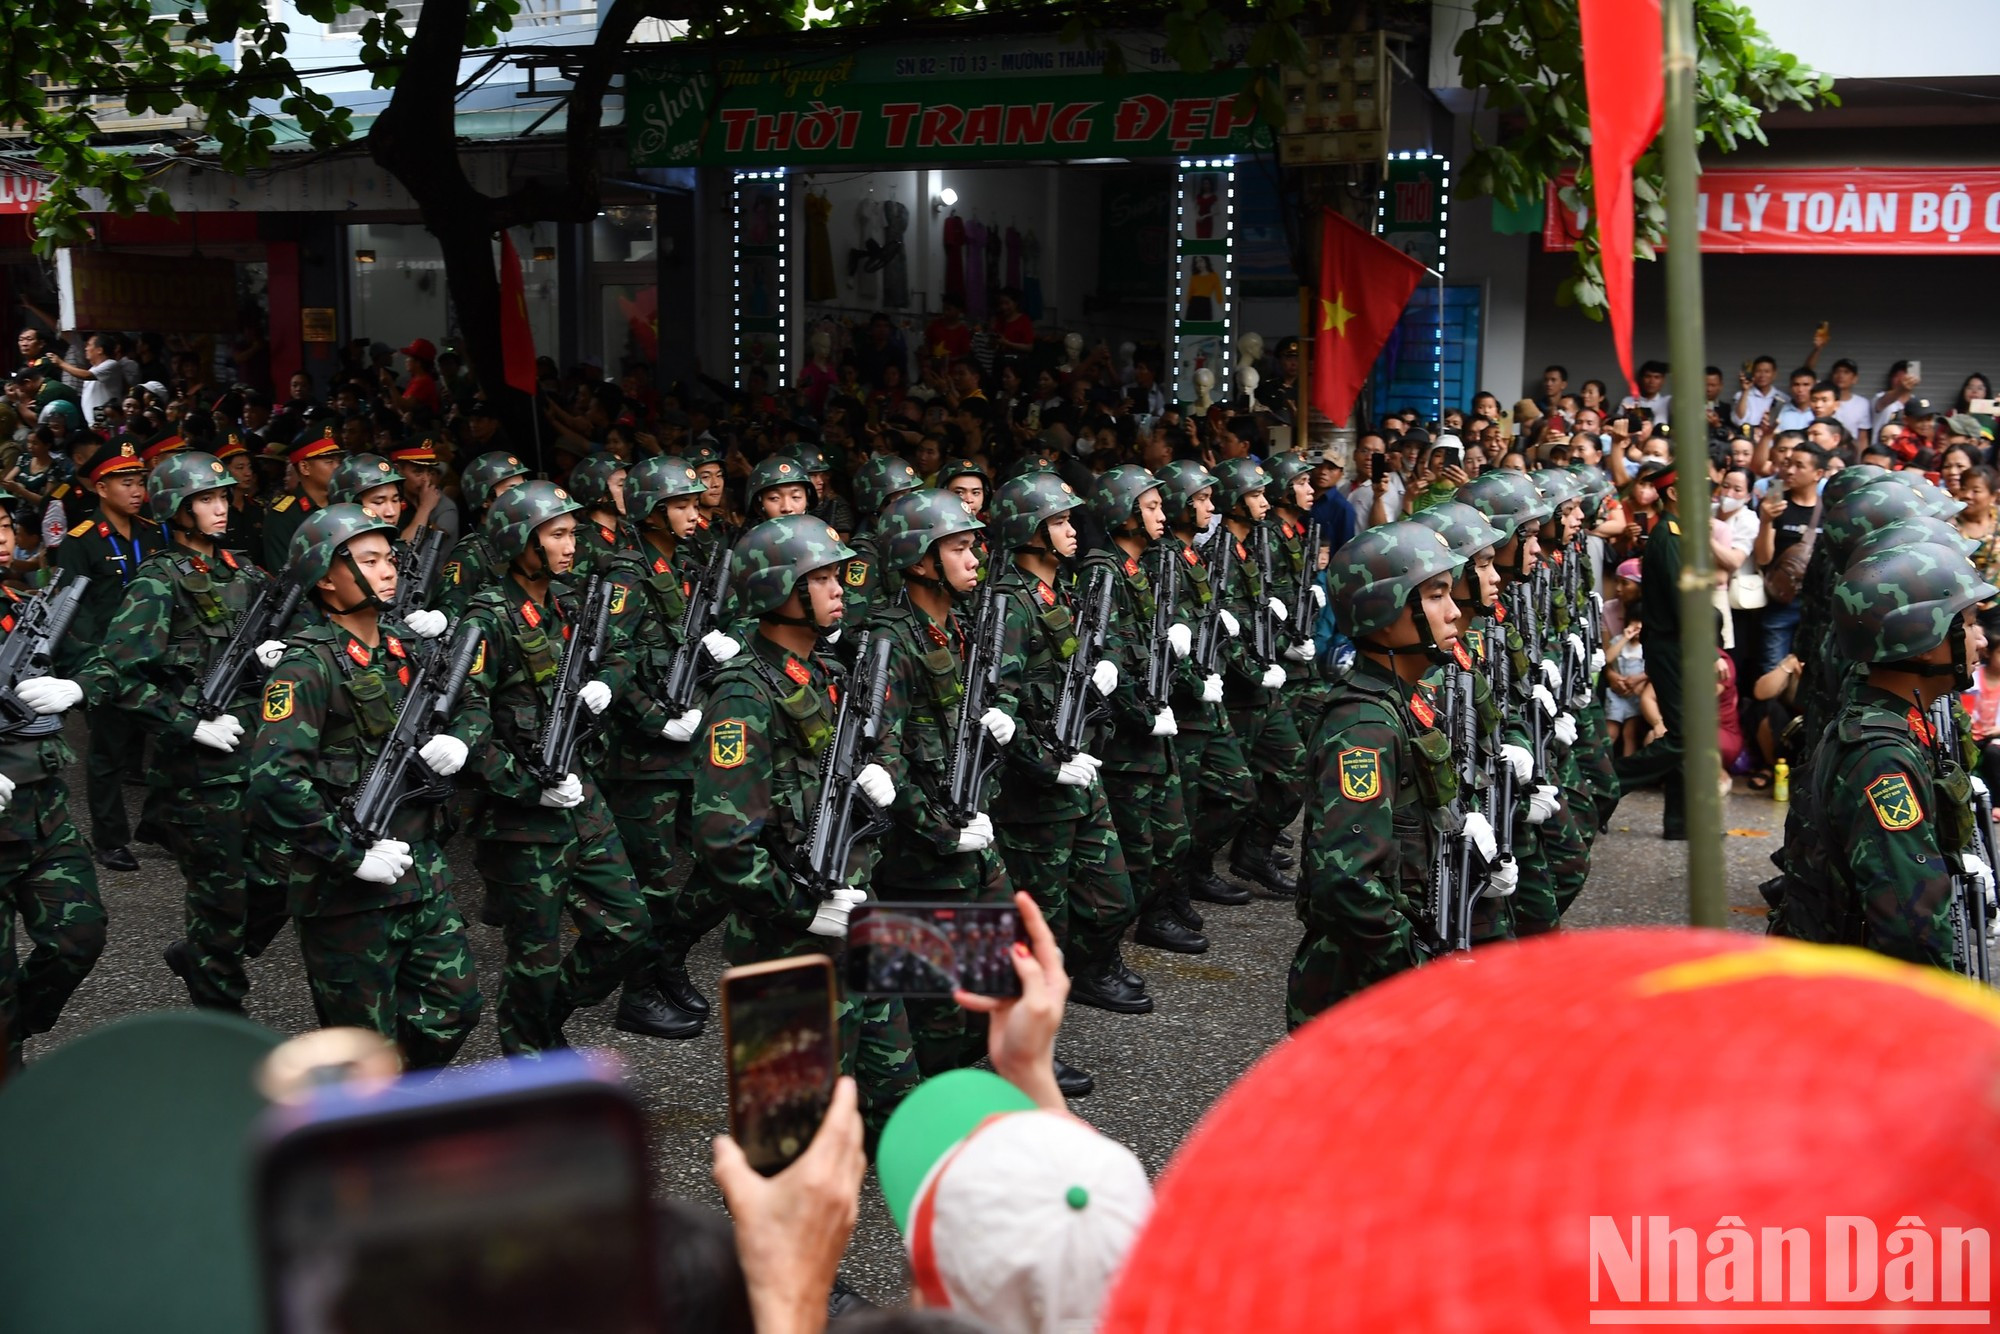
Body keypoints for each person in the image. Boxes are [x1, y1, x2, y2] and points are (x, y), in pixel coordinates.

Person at [688, 513, 921, 1138]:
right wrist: (801, 909)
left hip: (854, 915)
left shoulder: (828, 674)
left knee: (895, 1096)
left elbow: (874, 746)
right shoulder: (744, 696)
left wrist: (882, 775)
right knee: (785, 1131)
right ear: (779, 592)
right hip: (786, 939)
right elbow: (724, 841)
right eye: (820, 578)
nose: (839, 587)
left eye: (836, 575)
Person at [247, 503, 481, 1067]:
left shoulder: (408, 648)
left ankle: (399, 1108)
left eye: (389, 559)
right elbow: (274, 780)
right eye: (369, 560)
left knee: (456, 1007)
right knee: (362, 1049)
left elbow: (471, 702)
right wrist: (349, 852)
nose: (388, 571)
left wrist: (463, 739)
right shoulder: (306, 666)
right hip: (345, 892)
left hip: (419, 870)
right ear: (327, 579)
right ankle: (373, 1137)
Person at [79, 452, 290, 1012]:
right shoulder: (159, 582)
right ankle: (226, 1027)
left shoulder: (249, 575)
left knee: (282, 880)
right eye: (206, 500)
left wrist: (279, 656)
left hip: (256, 759)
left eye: (223, 497)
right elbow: (123, 676)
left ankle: (204, 954)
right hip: (198, 776)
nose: (221, 508)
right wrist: (188, 722)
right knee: (221, 903)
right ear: (178, 508)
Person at [457, 480, 649, 1054]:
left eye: (572, 533)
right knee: (533, 958)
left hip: (579, 793)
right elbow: (467, 720)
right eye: (558, 534)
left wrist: (602, 686)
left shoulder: (569, 602)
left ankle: (549, 1018)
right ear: (521, 542)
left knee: (628, 929)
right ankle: (530, 1062)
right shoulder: (486, 618)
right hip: (520, 816)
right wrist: (525, 786)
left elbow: (620, 652)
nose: (572, 545)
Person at [1772, 540, 1993, 970]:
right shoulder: (1882, 759)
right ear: (1927, 640)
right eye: (1968, 624)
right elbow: (1911, 927)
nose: (1981, 641)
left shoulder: (1893, 722)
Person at [1290, 521, 1473, 1025]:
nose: (1454, 611)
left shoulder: (1402, 700)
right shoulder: (1364, 728)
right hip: (1361, 985)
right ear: (1383, 611)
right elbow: (1346, 882)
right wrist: (1415, 966)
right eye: (1436, 596)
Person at [985, 470, 1147, 1036]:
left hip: (1077, 769)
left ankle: (1089, 972)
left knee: (1112, 897)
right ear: (1027, 532)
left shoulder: (1060, 590)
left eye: (1069, 518)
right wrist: (1047, 765)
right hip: (1037, 791)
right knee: (1038, 923)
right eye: (1057, 521)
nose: (1072, 529)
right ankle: (1027, 1041)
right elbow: (998, 712)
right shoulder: (1010, 606)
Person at [864, 489, 1018, 1080]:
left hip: (970, 824)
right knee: (935, 1005)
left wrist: (1002, 714)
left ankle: (975, 1075)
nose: (975, 557)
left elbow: (986, 693)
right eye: (959, 548)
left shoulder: (957, 623)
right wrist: (939, 831)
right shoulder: (890, 640)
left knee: (994, 968)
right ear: (920, 560)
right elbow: (884, 759)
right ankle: (928, 1113)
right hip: (923, 847)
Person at [596, 456, 740, 1041]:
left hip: (691, 746)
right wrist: (658, 720)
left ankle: (669, 959)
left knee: (722, 865)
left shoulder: (688, 563)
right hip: (643, 757)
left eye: (693, 503)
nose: (693, 514)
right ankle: (639, 991)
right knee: (651, 882)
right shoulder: (626, 574)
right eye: (680, 505)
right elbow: (614, 662)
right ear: (653, 510)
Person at [1081, 466, 1206, 955]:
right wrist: (1142, 712)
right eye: (1150, 507)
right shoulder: (1102, 570)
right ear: (1124, 512)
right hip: (1128, 737)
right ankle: (1113, 943)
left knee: (1170, 836)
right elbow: (1105, 653)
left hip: (1154, 721)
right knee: (1138, 845)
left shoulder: (1138, 567)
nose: (1161, 515)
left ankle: (1154, 913)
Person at [0, 503, 102, 1071]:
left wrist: (78, 686)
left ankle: (14, 1024)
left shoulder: (23, 608)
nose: (1, 537)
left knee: (79, 937)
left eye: (6, 526)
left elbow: (100, 658)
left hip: (41, 814)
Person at [52, 444, 165, 873]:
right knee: (107, 756)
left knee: (174, 743)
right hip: (106, 659)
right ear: (101, 488)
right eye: (126, 482)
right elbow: (69, 608)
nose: (137, 490)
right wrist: (85, 665)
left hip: (152, 656)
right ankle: (110, 838)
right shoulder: (81, 540)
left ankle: (157, 823)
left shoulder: (153, 533)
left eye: (140, 482)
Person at [1211, 458, 1305, 895]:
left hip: (1264, 683)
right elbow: (1218, 624)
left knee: (1294, 772)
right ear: (1233, 502)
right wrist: (1255, 669)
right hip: (1238, 690)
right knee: (1231, 790)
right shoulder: (1219, 556)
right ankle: (1194, 872)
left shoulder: (1255, 543)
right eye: (1254, 495)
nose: (1264, 503)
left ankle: (1254, 849)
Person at [1613, 461, 1690, 839]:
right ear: (1674, 492)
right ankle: (1607, 784)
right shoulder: (1670, 537)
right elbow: (1683, 603)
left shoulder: (1676, 533)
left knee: (1686, 734)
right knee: (1684, 737)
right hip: (1673, 646)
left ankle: (1681, 821)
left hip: (1676, 644)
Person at [434, 449, 530, 617]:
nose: (521, 497)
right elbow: (452, 605)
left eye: (523, 487)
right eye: (512, 490)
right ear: (486, 499)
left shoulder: (526, 542)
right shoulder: (469, 554)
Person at [262, 433, 341, 573]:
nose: (337, 467)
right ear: (305, 467)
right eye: (329, 462)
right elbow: (282, 576)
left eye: (338, 461)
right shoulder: (283, 517)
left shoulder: (343, 505)